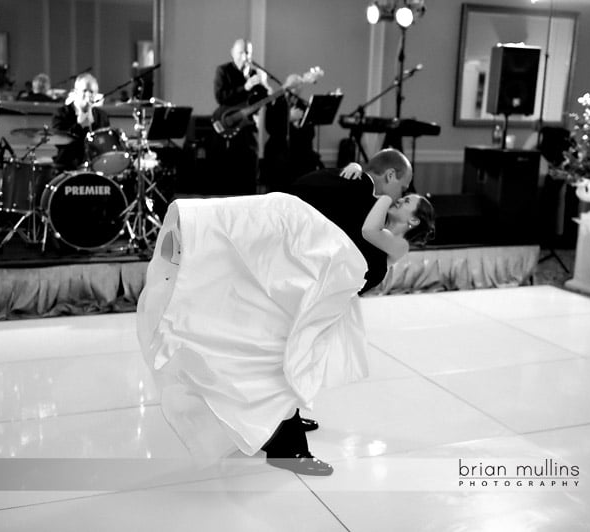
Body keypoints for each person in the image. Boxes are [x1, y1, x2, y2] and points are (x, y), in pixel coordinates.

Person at [136, 181, 434, 478]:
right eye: (402, 196)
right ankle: (198, 238)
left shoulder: (398, 244)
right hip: (306, 291)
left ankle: (283, 437)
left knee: (285, 358)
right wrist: (363, 179)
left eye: (407, 201)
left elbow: (369, 231)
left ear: (413, 220)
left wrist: (383, 194)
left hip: (317, 302)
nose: (399, 199)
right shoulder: (375, 217)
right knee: (278, 350)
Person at [290, 148, 425, 294]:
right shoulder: (362, 198)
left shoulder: (342, 179)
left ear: (414, 220)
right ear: (390, 175)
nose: (399, 197)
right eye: (403, 190)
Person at [211, 38, 269, 195]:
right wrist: (245, 87)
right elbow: (221, 97)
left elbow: (263, 99)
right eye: (241, 52)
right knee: (230, 176)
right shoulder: (223, 71)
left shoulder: (255, 73)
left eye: (248, 53)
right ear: (232, 53)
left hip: (249, 129)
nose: (245, 56)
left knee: (250, 172)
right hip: (230, 129)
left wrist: (264, 84)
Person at [263, 76, 323, 192]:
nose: (294, 91)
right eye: (292, 88)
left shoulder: (303, 105)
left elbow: (311, 134)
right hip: (279, 152)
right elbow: (270, 128)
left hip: (300, 153)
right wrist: (288, 118)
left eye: (298, 88)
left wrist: (299, 126)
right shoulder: (275, 103)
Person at [51, 73, 110, 170]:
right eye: (84, 91)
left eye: (91, 92)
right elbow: (59, 143)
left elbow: (104, 144)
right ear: (76, 92)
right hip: (67, 166)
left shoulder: (101, 116)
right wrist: (80, 124)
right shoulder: (61, 114)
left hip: (95, 166)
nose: (88, 95)